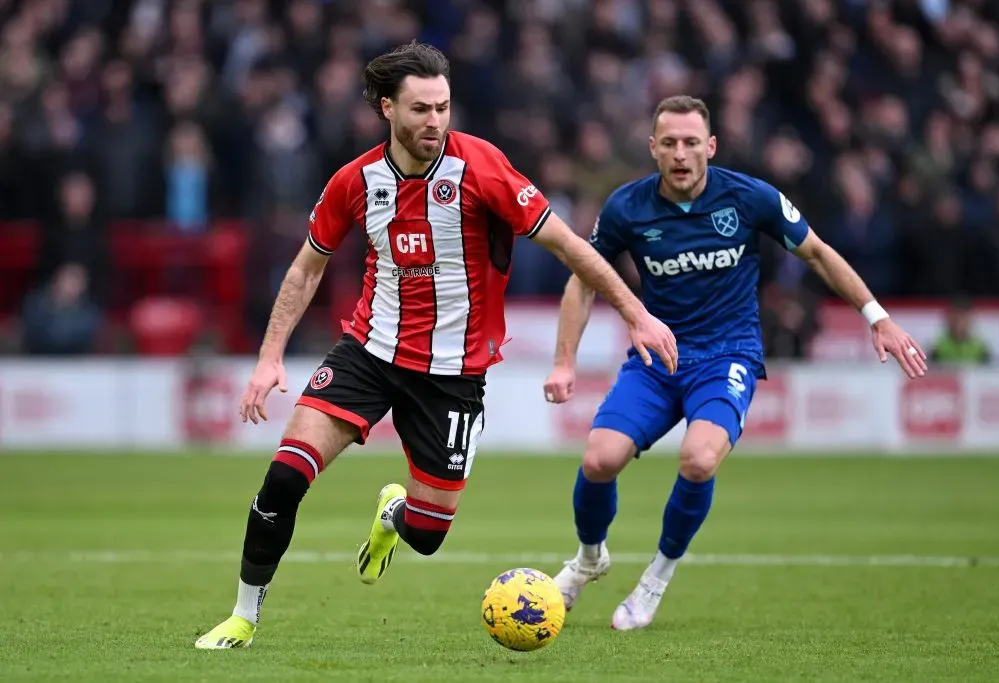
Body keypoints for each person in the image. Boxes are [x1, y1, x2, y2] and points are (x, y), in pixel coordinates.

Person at [194, 42, 677, 650]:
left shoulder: (483, 169)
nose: (435, 121)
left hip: (453, 375)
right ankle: (243, 617)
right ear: (386, 108)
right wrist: (269, 357)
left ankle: (394, 514)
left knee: (426, 532)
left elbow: (571, 247)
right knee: (285, 476)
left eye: (443, 107)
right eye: (421, 109)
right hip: (368, 353)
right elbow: (306, 269)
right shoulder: (355, 181)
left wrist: (636, 314)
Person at [542, 95, 928, 631]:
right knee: (597, 460)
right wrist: (565, 363)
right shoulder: (626, 208)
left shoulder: (750, 198)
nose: (681, 153)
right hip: (658, 359)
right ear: (653, 148)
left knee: (699, 460)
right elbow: (583, 280)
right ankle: (589, 559)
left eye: (691, 143)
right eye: (670, 143)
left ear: (711, 147)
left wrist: (876, 316)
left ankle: (656, 577)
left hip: (727, 355)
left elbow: (816, 252)